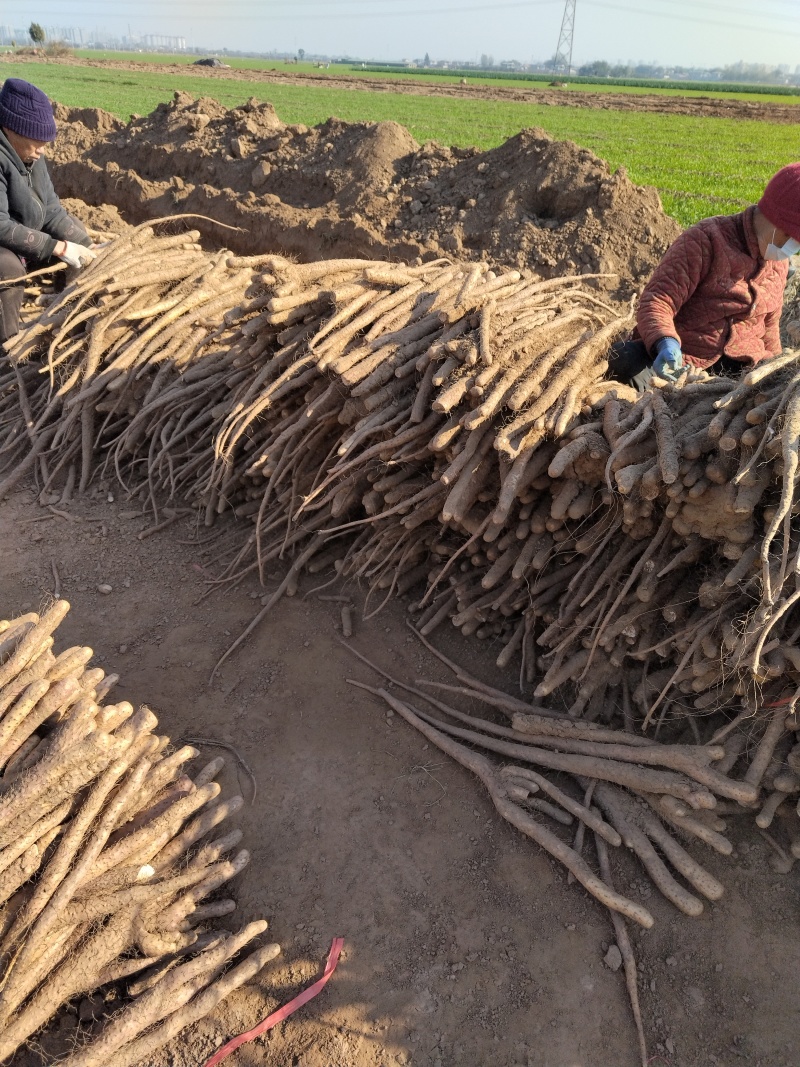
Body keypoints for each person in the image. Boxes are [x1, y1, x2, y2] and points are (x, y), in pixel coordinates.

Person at [609, 162, 800, 387]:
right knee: (623, 359)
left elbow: (770, 326)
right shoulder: (705, 239)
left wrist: (775, 368)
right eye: (791, 237)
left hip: (744, 372)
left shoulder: (779, 263)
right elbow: (658, 299)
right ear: (776, 221)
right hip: (683, 362)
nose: (792, 247)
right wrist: (665, 341)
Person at [0, 77, 97, 346]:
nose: (43, 151)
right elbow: (1, 226)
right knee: (6, 268)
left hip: (20, 239)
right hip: (3, 244)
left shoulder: (30, 154)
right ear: (11, 130)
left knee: (75, 234)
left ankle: (65, 321)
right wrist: (59, 248)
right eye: (36, 143)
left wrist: (89, 247)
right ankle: (5, 349)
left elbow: (52, 209)